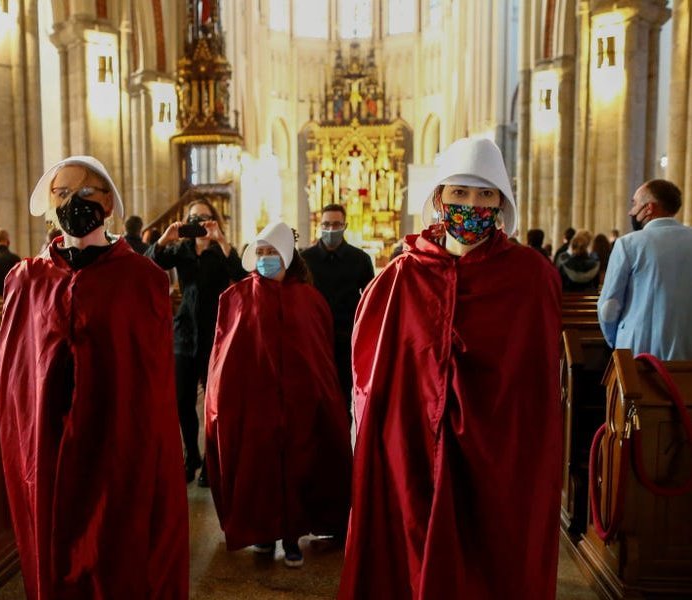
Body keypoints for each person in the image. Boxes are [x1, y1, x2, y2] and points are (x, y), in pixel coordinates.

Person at [339, 138, 562, 599]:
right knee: (412, 551)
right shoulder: (401, 276)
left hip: (497, 450)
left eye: (485, 195)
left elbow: (535, 382)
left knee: (486, 556)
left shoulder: (530, 276)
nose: (472, 205)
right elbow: (372, 372)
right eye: (460, 193)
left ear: (501, 201)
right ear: (440, 198)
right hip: (414, 445)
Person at [0, 156, 188, 599]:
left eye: (85, 193)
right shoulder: (26, 279)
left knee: (116, 551)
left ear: (107, 203)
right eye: (62, 194)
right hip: (49, 445)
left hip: (117, 442)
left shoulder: (143, 279)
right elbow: (18, 380)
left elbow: (150, 381)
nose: (73, 202)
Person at [204, 222, 352, 568]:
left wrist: (322, 397)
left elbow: (320, 353)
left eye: (272, 252)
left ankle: (292, 538)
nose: (266, 259)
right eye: (261, 252)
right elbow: (223, 355)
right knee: (259, 470)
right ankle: (264, 534)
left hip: (301, 403)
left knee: (301, 468)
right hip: (255, 405)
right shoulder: (236, 296)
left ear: (287, 255)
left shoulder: (309, 299)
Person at [147, 197, 247, 486]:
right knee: (182, 400)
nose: (198, 223)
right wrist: (165, 238)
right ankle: (191, 456)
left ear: (213, 220)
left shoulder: (220, 251)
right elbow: (151, 262)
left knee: (213, 405)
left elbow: (240, 274)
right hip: (184, 331)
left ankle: (210, 463)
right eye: (193, 218)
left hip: (215, 333)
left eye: (204, 218)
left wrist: (221, 239)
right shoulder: (181, 249)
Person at [598, 179, 692, 359]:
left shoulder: (628, 244)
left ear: (648, 208)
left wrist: (617, 343)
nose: (630, 211)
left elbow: (609, 307)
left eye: (634, 204)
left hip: (640, 353)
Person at [300, 204, 374, 412]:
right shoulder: (306, 259)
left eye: (336, 224)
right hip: (313, 339)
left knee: (342, 400)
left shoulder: (359, 259)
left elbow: (369, 300)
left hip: (345, 339)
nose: (330, 229)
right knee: (313, 398)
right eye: (326, 224)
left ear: (345, 225)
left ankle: (340, 442)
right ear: (319, 225)